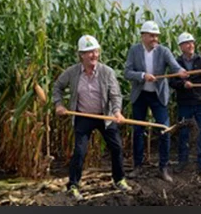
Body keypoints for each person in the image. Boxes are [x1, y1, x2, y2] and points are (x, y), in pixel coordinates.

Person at [53, 35, 130, 201]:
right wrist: (59, 105)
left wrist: (116, 111)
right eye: (89, 52)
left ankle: (119, 179)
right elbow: (57, 87)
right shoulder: (72, 73)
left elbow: (115, 95)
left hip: (105, 116)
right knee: (79, 151)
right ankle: (73, 185)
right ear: (81, 55)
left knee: (116, 148)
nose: (94, 55)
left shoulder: (107, 72)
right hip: (83, 116)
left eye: (96, 51)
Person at [124, 21, 189, 182]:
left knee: (164, 129)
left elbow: (174, 66)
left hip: (157, 96)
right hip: (140, 95)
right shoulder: (134, 50)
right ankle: (137, 166)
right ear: (143, 36)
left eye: (156, 36)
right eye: (151, 35)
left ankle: (163, 167)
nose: (154, 39)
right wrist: (142, 76)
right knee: (138, 131)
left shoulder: (163, 51)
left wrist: (181, 72)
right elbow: (127, 72)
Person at [168, 32, 201, 176]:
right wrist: (183, 84)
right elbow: (172, 81)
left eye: (192, 42)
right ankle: (182, 161)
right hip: (185, 102)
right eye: (187, 43)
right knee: (184, 132)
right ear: (181, 47)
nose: (190, 45)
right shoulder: (177, 63)